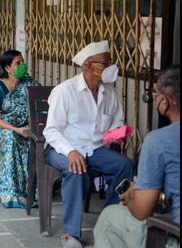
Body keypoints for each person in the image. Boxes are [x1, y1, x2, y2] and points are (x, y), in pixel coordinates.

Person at [43, 40, 134, 248]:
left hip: (95, 148)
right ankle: (71, 234)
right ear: (87, 66)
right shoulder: (64, 91)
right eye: (104, 62)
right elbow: (51, 130)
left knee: (125, 165)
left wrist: (116, 134)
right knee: (76, 170)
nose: (110, 66)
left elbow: (117, 120)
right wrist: (71, 151)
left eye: (110, 61)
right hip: (63, 147)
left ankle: (108, 221)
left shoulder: (109, 92)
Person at [94, 68, 180, 248]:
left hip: (174, 235)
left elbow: (141, 212)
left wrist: (134, 194)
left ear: (166, 100)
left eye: (156, 94)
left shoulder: (158, 141)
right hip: (89, 149)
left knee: (110, 216)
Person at [0, 50, 40, 206]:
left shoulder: (30, 83)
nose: (23, 65)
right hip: (2, 128)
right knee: (11, 138)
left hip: (27, 127)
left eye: (23, 62)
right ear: (8, 68)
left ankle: (33, 188)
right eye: (18, 63)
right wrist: (16, 129)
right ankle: (12, 192)